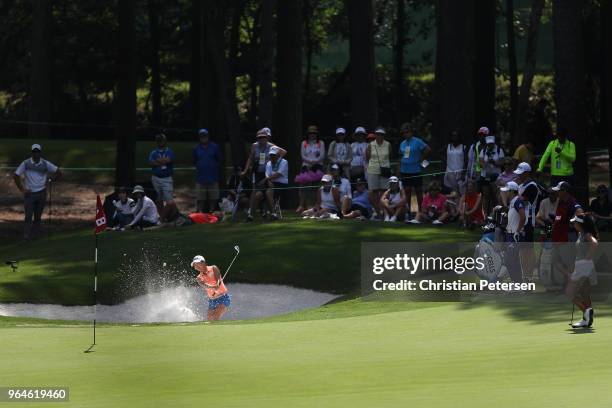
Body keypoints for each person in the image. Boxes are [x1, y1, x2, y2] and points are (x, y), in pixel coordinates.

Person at [13, 143, 62, 240]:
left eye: (37, 152)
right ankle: (26, 236)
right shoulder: (26, 163)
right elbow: (16, 175)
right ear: (31, 153)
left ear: (40, 153)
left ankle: (35, 236)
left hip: (41, 193)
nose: (36, 154)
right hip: (29, 194)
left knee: (37, 217)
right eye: (34, 152)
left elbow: (59, 172)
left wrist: (50, 180)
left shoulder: (45, 163)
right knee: (28, 216)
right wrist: (22, 189)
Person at [566, 214, 598, 328]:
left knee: (569, 293)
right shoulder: (581, 234)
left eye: (575, 222)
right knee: (585, 293)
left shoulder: (586, 234)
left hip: (583, 266)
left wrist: (586, 259)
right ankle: (586, 320)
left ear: (580, 224)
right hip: (584, 266)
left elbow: (594, 244)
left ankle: (586, 312)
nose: (573, 224)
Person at [398, 123, 431, 219]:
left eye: (407, 132)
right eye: (403, 133)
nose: (405, 134)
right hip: (405, 170)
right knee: (408, 191)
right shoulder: (402, 143)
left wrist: (422, 158)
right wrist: (399, 169)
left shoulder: (417, 141)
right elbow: (400, 157)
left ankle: (419, 211)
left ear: (411, 132)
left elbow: (428, 149)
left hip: (415, 170)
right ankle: (412, 211)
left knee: (418, 191)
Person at [296, 125, 325, 213]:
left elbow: (322, 156)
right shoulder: (304, 143)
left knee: (316, 186)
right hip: (306, 165)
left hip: (318, 165)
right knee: (303, 186)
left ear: (316, 134)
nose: (312, 135)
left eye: (314, 133)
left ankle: (315, 205)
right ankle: (301, 205)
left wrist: (314, 162)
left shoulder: (321, 143)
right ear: (308, 134)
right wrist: (310, 162)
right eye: (310, 133)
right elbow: (303, 155)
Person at [191, 255, 231, 321]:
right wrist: (213, 287)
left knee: (215, 317)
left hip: (223, 297)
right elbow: (203, 285)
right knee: (210, 319)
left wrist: (217, 284)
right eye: (195, 265)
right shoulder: (199, 278)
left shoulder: (213, 268)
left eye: (197, 264)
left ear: (203, 263)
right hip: (212, 300)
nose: (196, 266)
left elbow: (218, 278)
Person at [501, 181, 527, 283]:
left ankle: (517, 283)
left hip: (515, 235)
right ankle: (517, 283)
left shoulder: (517, 202)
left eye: (507, 191)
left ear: (512, 192)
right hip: (510, 234)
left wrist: (517, 231)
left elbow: (523, 217)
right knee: (513, 261)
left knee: (509, 260)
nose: (505, 193)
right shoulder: (512, 202)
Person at [366, 127, 392, 220]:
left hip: (385, 170)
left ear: (383, 135)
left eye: (381, 134)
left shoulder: (388, 144)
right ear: (375, 135)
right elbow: (367, 157)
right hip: (373, 170)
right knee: (372, 192)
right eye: (377, 134)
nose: (379, 136)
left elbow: (390, 155)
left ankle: (384, 212)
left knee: (384, 192)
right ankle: (377, 211)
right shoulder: (370, 145)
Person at [193, 129, 222, 213]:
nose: (203, 137)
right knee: (200, 198)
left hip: (213, 176)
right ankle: (200, 213)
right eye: (202, 136)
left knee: (213, 197)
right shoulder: (196, 148)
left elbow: (219, 159)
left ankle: (211, 212)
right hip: (200, 177)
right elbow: (195, 161)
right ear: (199, 137)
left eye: (205, 135)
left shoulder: (215, 147)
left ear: (208, 136)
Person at [478, 135, 505, 214]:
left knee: (495, 196)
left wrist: (493, 161)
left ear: (494, 143)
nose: (490, 145)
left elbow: (501, 162)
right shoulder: (483, 151)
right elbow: (480, 163)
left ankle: (497, 215)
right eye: (488, 144)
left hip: (496, 176)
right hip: (485, 175)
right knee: (486, 196)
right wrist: (486, 162)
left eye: (491, 144)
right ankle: (485, 215)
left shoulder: (499, 150)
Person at [261, 146, 289, 221]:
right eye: (271, 155)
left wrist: (267, 179)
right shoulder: (268, 163)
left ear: (277, 155)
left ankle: (273, 213)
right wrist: (269, 181)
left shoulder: (284, 162)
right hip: (271, 183)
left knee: (268, 192)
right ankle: (253, 214)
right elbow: (267, 174)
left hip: (282, 185)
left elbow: (278, 174)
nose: (272, 157)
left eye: (274, 155)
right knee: (259, 193)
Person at [148, 133, 175, 207]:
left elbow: (168, 161)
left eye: (161, 140)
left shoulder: (169, 151)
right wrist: (163, 161)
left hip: (167, 179)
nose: (160, 142)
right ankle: (161, 216)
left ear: (165, 141)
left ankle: (168, 216)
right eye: (158, 140)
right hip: (156, 178)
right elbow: (150, 163)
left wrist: (157, 161)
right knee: (158, 200)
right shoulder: (153, 152)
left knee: (169, 201)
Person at [443, 130, 466, 195]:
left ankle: (460, 204)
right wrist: (446, 162)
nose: (454, 137)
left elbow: (466, 160)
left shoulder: (463, 147)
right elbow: (438, 153)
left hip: (460, 172)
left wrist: (463, 173)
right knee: (454, 191)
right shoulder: (448, 146)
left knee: (462, 192)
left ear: (459, 137)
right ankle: (456, 204)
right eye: (453, 136)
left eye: (456, 136)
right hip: (450, 172)